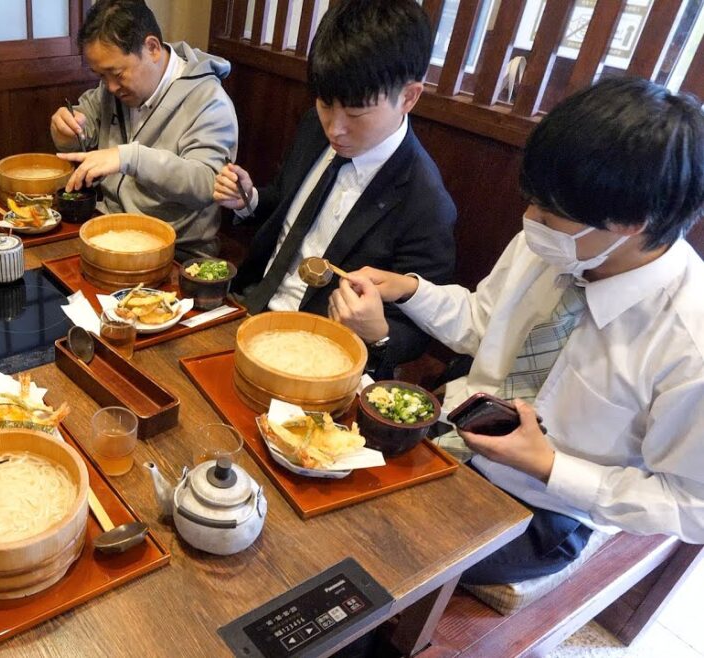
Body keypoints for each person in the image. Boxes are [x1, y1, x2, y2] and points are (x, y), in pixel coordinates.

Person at [332, 76, 704, 584]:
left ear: (631, 223)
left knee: (374, 557)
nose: (529, 219)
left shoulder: (689, 339)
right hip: (450, 432)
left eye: (548, 212)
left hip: (545, 508)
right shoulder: (556, 242)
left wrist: (549, 465)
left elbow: (689, 504)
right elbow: (481, 324)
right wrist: (410, 289)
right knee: (322, 483)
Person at [215, 0, 456, 375]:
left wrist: (378, 332)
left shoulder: (426, 202)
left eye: (356, 114)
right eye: (326, 104)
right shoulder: (316, 125)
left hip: (323, 361)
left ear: (408, 97)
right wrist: (250, 199)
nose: (335, 128)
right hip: (250, 312)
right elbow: (287, 205)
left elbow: (417, 330)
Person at [50, 0, 238, 260]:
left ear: (152, 48)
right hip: (107, 230)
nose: (110, 86)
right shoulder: (112, 89)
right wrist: (65, 130)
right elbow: (82, 127)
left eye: (116, 73)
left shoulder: (208, 100)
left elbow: (208, 183)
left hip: (174, 252)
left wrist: (130, 158)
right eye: (101, 76)